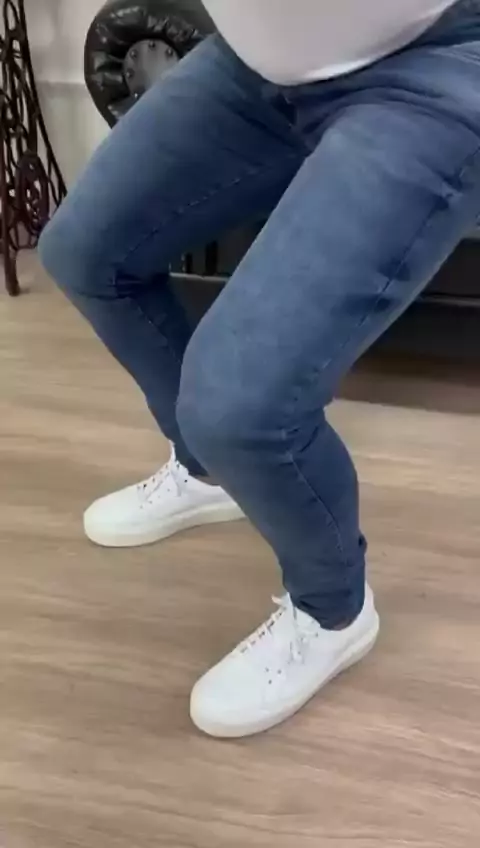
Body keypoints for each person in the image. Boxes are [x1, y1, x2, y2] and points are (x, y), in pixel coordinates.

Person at [39, 0, 480, 738]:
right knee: (85, 253)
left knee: (239, 406)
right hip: (259, 62)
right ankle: (206, 472)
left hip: (433, 58)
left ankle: (332, 611)